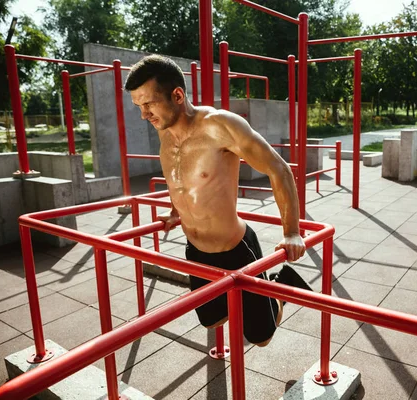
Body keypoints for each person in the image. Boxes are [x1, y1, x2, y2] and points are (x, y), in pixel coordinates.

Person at [124, 55, 312, 347]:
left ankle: (280, 287)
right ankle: (254, 299)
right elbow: (181, 180)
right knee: (211, 320)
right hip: (196, 251)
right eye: (139, 107)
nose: (143, 115)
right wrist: (176, 211)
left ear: (177, 95)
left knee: (260, 338)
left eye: (148, 104)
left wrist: (291, 232)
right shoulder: (165, 133)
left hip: (235, 249)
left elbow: (279, 169)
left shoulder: (220, 125)